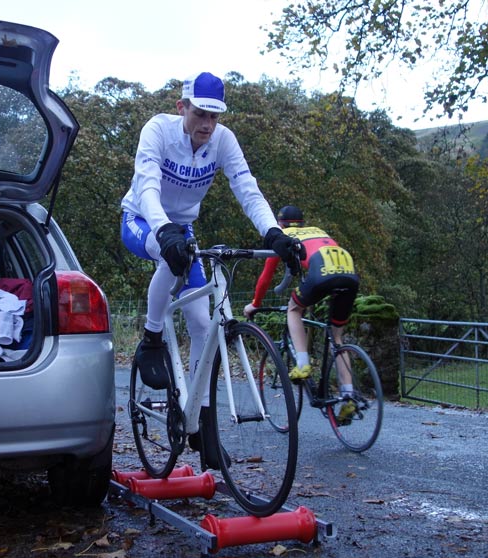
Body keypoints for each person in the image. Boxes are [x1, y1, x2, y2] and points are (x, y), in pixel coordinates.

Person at [120, 72, 301, 469]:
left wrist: (273, 233)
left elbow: (246, 187)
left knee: (203, 324)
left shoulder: (223, 140)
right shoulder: (158, 131)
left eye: (214, 117)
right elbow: (147, 184)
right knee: (169, 253)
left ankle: (202, 424)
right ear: (182, 107)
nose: (207, 124)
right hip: (142, 219)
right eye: (200, 113)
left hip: (182, 229)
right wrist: (163, 228)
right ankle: (152, 337)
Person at [243, 205, 360, 423]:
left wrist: (255, 304)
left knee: (294, 309)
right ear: (302, 223)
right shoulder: (318, 231)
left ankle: (303, 364)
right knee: (336, 337)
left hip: (322, 274)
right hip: (349, 273)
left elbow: (266, 277)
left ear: (280, 224)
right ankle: (348, 396)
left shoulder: (283, 237)